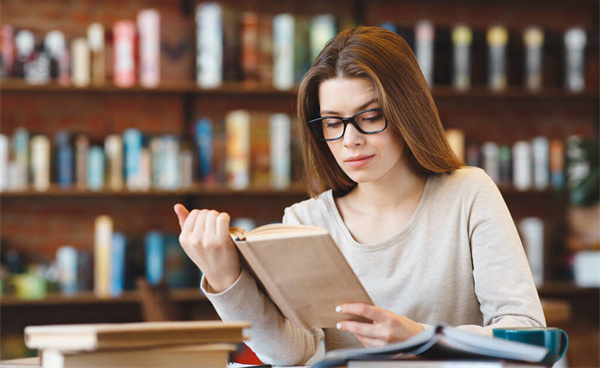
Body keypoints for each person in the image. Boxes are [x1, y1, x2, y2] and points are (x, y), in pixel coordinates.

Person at [174, 26, 546, 366]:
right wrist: (225, 278)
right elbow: (292, 354)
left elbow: (528, 336)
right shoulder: (306, 222)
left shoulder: (467, 194)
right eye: (333, 123)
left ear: (406, 112)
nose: (350, 140)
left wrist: (420, 338)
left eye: (369, 117)